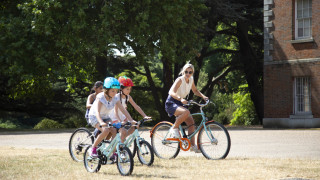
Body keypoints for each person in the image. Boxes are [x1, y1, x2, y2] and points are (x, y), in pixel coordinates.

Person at [165, 62, 208, 153]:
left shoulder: (191, 79)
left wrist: (203, 96)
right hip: (171, 102)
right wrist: (180, 99)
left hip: (180, 103)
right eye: (186, 72)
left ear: (192, 73)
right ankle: (174, 128)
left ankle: (192, 146)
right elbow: (171, 92)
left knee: (191, 123)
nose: (188, 74)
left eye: (190, 72)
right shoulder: (180, 80)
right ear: (183, 72)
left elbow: (195, 90)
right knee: (186, 112)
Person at [88, 77, 136, 158]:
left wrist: (131, 120)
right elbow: (97, 112)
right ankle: (93, 148)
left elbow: (124, 110)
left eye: (116, 91)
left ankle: (113, 153)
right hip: (95, 117)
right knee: (106, 130)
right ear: (106, 90)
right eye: (112, 91)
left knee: (115, 131)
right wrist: (101, 122)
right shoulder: (101, 97)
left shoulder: (115, 98)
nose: (115, 93)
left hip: (106, 117)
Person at [111, 76, 151, 142]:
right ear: (121, 88)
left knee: (135, 126)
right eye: (127, 89)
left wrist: (145, 116)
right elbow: (115, 112)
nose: (129, 91)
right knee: (123, 131)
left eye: (130, 89)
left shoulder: (128, 97)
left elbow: (136, 106)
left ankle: (121, 141)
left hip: (123, 117)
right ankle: (119, 144)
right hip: (115, 117)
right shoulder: (117, 97)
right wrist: (120, 121)